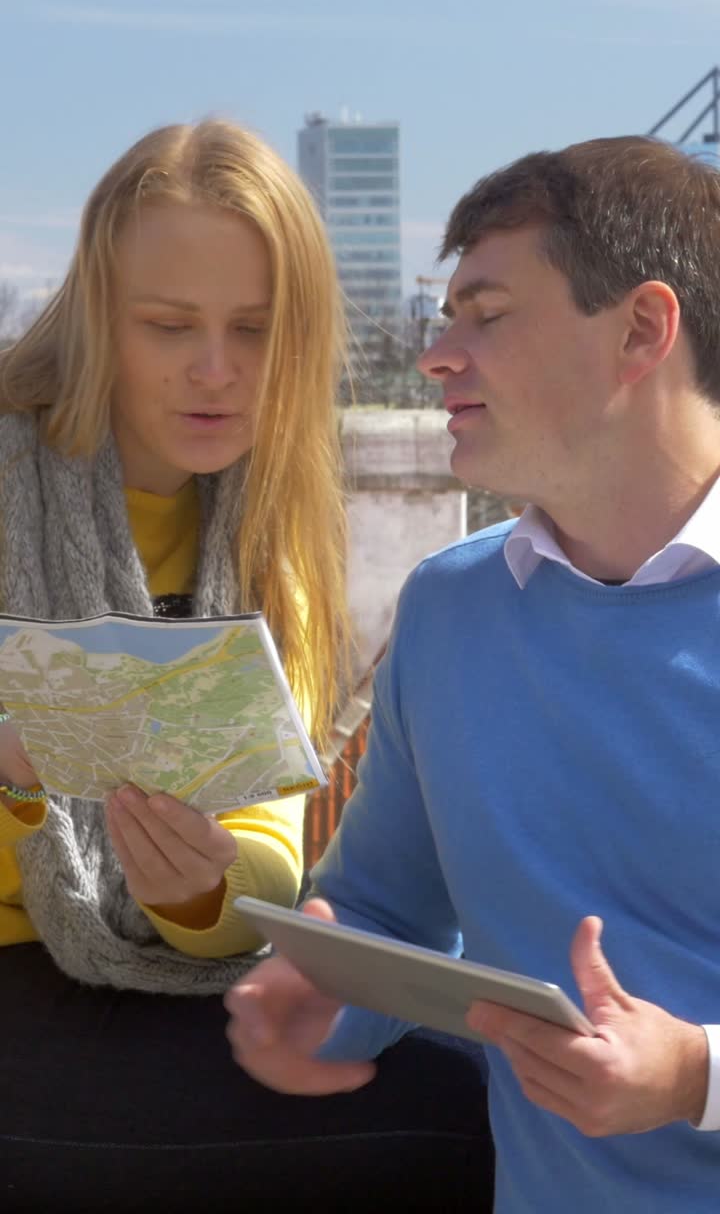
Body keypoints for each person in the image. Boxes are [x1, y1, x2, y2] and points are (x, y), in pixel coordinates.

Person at [0, 118, 493, 1212]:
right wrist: (20, 783)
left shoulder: (269, 534)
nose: (216, 371)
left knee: (472, 1086)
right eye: (170, 325)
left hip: (159, 973)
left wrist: (206, 883)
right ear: (96, 323)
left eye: (257, 329)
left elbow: (270, 860)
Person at [226, 135, 720, 1213]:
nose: (438, 353)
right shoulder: (450, 612)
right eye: (446, 315)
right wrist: (319, 985)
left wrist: (697, 1077)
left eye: (486, 315)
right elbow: (384, 908)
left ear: (642, 329)